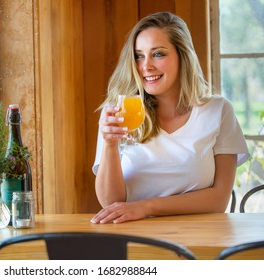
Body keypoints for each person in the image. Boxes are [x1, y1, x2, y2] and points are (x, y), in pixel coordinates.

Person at [91, 12, 249, 224]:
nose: (146, 66)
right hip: (136, 238)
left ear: (182, 56)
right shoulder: (118, 113)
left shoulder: (218, 110)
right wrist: (110, 145)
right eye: (139, 56)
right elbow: (111, 203)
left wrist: (145, 207)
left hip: (201, 238)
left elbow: (219, 200)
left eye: (158, 54)